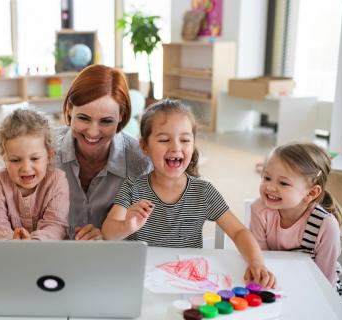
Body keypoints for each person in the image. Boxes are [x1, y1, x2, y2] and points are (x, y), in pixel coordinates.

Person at [0, 64, 152, 240]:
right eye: (83, 118)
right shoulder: (43, 146)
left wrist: (108, 236)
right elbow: (24, 176)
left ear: (122, 117)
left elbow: (151, 221)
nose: (92, 132)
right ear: (68, 110)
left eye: (106, 121)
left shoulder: (139, 161)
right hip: (52, 253)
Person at [102, 99, 276, 288]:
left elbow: (239, 231)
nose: (176, 147)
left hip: (188, 281)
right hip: (142, 279)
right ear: (144, 146)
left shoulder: (204, 192)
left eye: (185, 140)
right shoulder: (132, 188)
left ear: (193, 145)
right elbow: (108, 233)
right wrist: (128, 225)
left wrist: (256, 262)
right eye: (164, 140)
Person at [250, 143, 342, 302]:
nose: (270, 187)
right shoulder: (260, 210)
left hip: (319, 288)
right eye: (267, 178)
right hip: (277, 282)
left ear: (311, 193)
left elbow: (326, 280)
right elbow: (263, 259)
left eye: (283, 183)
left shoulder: (326, 226)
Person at [0, 108, 69, 240]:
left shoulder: (57, 180)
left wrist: (32, 243)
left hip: (49, 254)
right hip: (11, 253)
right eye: (15, 160)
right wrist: (13, 241)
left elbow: (56, 225)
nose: (26, 168)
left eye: (34, 159)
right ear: (4, 158)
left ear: (48, 156)